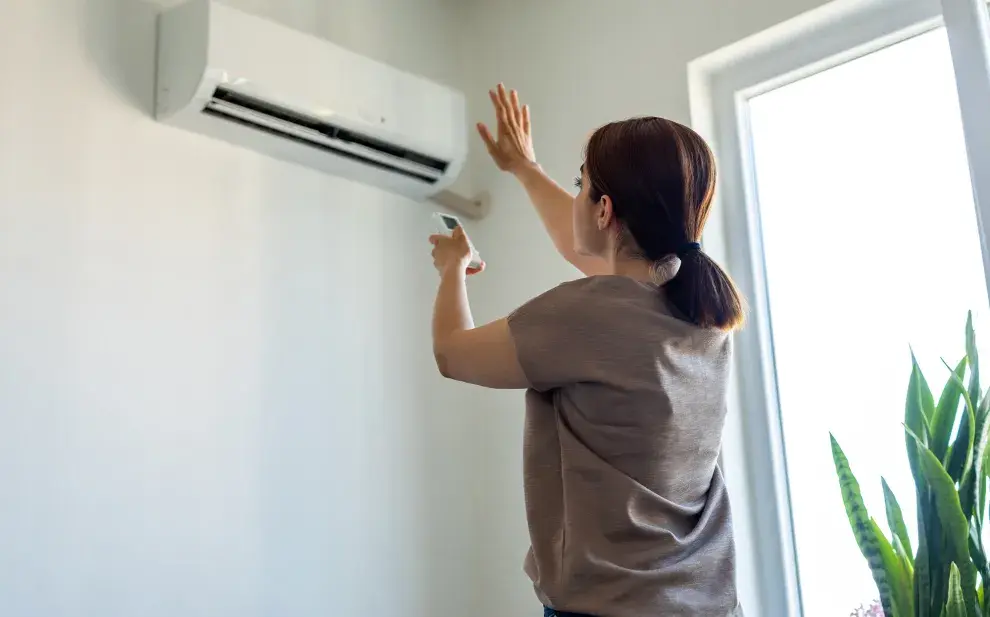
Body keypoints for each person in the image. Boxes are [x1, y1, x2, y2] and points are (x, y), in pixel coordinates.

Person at [428, 84, 745, 617]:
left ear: (604, 210)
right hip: (706, 602)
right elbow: (592, 255)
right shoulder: (701, 311)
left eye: (582, 186)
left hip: (607, 608)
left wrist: (451, 269)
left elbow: (451, 354)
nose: (576, 196)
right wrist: (525, 168)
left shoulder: (585, 314)